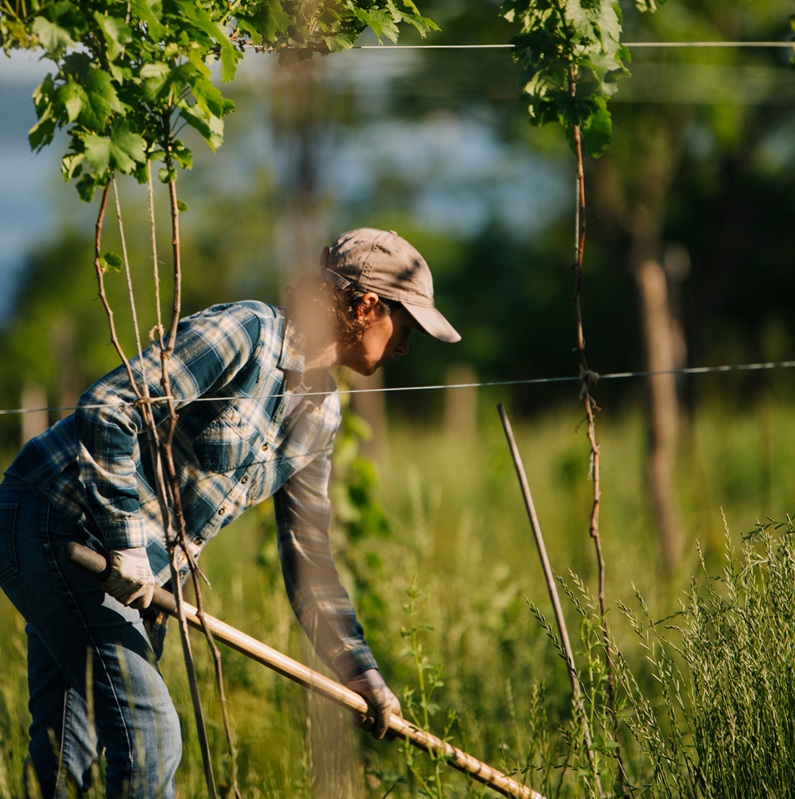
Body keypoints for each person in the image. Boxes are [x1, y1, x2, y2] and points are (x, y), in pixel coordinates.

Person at [0, 228, 460, 798]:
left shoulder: (322, 416)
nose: (405, 347)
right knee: (149, 738)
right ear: (367, 306)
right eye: (405, 327)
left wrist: (359, 670)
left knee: (65, 756)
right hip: (52, 523)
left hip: (122, 575)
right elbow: (110, 407)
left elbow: (309, 560)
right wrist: (125, 541)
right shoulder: (247, 333)